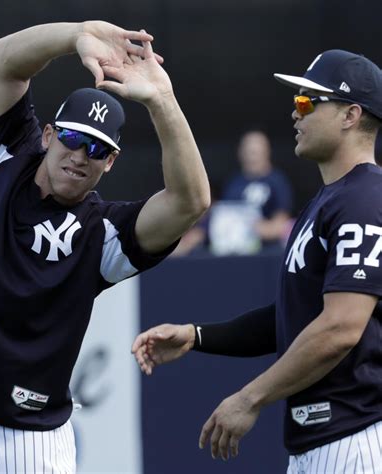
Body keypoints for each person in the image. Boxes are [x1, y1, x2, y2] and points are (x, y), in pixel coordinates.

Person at [0, 21, 210, 473]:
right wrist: (78, 35)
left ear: (110, 162)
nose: (78, 155)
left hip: (24, 443)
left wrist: (161, 100)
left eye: (95, 149)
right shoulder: (5, 157)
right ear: (49, 135)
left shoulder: (105, 235)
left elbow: (191, 201)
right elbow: (2, 61)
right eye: (71, 138)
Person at [132, 49, 382, 473]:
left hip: (354, 439)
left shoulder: (363, 199)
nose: (295, 113)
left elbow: (340, 327)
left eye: (307, 101)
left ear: (350, 115)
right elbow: (293, 318)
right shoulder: (329, 200)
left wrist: (250, 398)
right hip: (322, 441)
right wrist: (196, 335)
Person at [220, 130, 293, 253]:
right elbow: (224, 215)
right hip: (235, 250)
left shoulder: (277, 181)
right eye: (248, 151)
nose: (251, 156)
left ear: (267, 152)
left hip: (267, 251)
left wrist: (257, 228)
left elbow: (282, 221)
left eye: (255, 152)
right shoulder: (233, 183)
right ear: (240, 153)